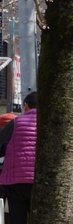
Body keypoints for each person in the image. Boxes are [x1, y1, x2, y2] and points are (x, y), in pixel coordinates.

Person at [0, 92, 37, 224]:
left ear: (26, 106)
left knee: (17, 218)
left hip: (15, 182)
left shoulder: (15, 123)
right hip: (40, 180)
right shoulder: (50, 125)